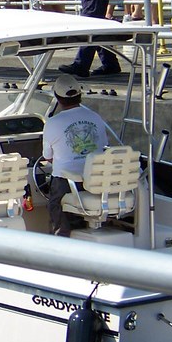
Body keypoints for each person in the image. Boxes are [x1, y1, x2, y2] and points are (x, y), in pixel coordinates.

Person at [42, 74, 110, 237]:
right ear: (80, 94)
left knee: (54, 205)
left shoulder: (52, 123)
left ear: (57, 97)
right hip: (97, 182)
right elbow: (103, 146)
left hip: (67, 183)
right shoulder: (95, 117)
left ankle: (61, 238)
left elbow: (47, 157)